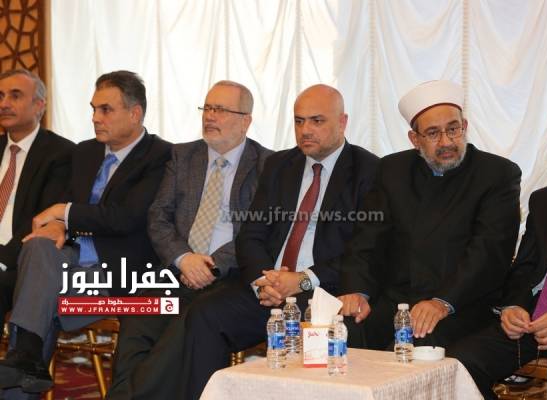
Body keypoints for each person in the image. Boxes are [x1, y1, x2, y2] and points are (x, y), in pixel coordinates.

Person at [181, 84, 379, 398]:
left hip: (323, 293)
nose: (306, 130)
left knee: (346, 330)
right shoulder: (280, 165)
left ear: (342, 123)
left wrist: (301, 280)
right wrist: (264, 281)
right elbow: (251, 235)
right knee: (205, 314)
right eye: (299, 121)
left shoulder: (369, 170)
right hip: (269, 289)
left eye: (317, 121)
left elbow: (363, 250)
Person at [0, 70, 171, 394]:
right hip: (66, 264)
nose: (95, 118)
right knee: (37, 247)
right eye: (93, 109)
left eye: (106, 109)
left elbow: (126, 217)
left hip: (117, 276)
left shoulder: (161, 156)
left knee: (38, 298)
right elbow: (66, 208)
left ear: (135, 113)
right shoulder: (84, 152)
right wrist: (58, 224)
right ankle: (27, 357)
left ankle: (26, 356)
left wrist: (63, 213)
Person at [107, 80, 272, 400]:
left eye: (220, 109)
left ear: (245, 121)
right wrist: (184, 258)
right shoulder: (183, 156)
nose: (209, 116)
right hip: (178, 270)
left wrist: (211, 265)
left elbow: (256, 231)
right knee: (138, 316)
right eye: (207, 108)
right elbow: (158, 216)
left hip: (231, 276)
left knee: (184, 328)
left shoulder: (267, 164)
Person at [338, 80, 522, 350]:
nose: (446, 142)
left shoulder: (497, 174)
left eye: (453, 129)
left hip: (461, 303)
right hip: (398, 299)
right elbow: (367, 239)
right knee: (344, 331)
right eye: (433, 133)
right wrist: (357, 291)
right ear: (415, 139)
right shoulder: (392, 170)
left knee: (415, 345)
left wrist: (442, 302)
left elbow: (488, 253)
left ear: (465, 126)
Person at [449, 105, 547, 400]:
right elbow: (524, 268)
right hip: (535, 318)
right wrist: (513, 306)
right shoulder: (544, 199)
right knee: (461, 361)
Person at [0, 69, 74, 323]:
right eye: (0, 96)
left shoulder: (61, 153)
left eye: (15, 95)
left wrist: (2, 260)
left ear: (39, 105)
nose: (4, 104)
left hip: (18, 261)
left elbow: (42, 219)